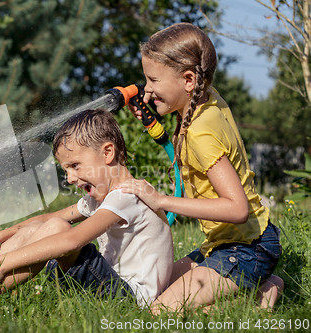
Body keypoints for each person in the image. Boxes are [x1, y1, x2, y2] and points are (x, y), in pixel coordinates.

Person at [0, 109, 174, 308]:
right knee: (38, 226)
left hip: (128, 298)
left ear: (107, 152)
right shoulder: (103, 195)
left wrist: (0, 264)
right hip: (104, 280)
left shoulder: (127, 195)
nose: (70, 178)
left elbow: (72, 239)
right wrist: (1, 235)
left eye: (75, 166)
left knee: (56, 231)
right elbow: (47, 218)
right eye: (66, 169)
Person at [116, 22, 283, 314]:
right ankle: (254, 286)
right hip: (224, 244)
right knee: (152, 288)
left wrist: (160, 200)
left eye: (153, 80)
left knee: (160, 312)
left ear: (190, 79)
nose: (147, 90)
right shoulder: (207, 98)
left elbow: (237, 208)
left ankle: (260, 294)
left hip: (247, 249)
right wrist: (154, 107)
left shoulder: (200, 133)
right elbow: (182, 99)